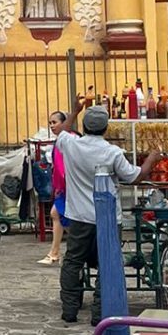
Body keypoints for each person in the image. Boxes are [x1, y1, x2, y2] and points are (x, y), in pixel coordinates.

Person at [58, 107, 157, 321]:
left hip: (78, 215)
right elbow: (134, 177)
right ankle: (100, 312)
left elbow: (63, 132)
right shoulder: (112, 152)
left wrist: (75, 110)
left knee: (73, 261)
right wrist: (151, 158)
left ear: (83, 127)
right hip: (108, 216)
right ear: (105, 128)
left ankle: (69, 309)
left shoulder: (71, 144)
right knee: (107, 263)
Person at [38, 110, 67, 267]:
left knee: (59, 215)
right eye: (50, 123)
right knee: (57, 214)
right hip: (63, 187)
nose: (51, 126)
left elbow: (63, 168)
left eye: (54, 122)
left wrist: (61, 186)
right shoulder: (59, 142)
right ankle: (55, 252)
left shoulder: (68, 141)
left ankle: (56, 253)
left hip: (68, 187)